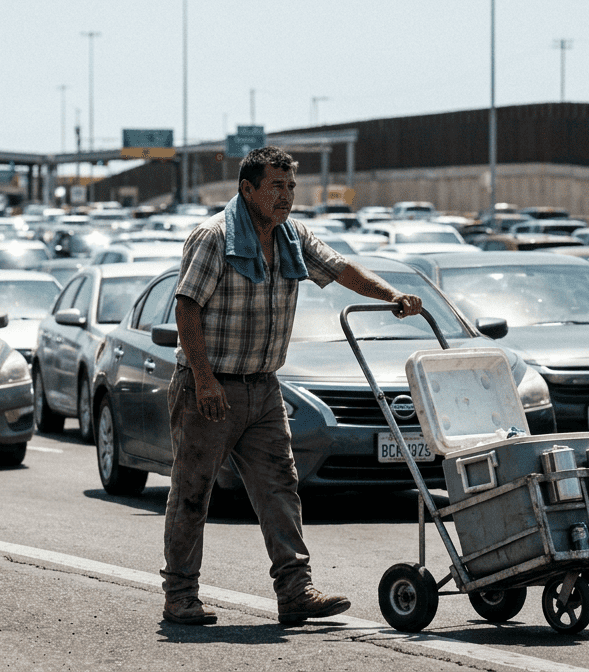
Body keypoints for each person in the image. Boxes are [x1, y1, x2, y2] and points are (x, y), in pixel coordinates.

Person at [161, 146, 423, 626]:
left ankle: (296, 591)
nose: (286, 197)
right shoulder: (214, 237)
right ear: (248, 189)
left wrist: (391, 296)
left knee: (280, 488)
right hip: (211, 388)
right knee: (192, 492)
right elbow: (186, 308)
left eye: (291, 187)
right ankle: (180, 596)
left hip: (263, 388)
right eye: (276, 187)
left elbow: (341, 269)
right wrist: (203, 379)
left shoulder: (291, 236)